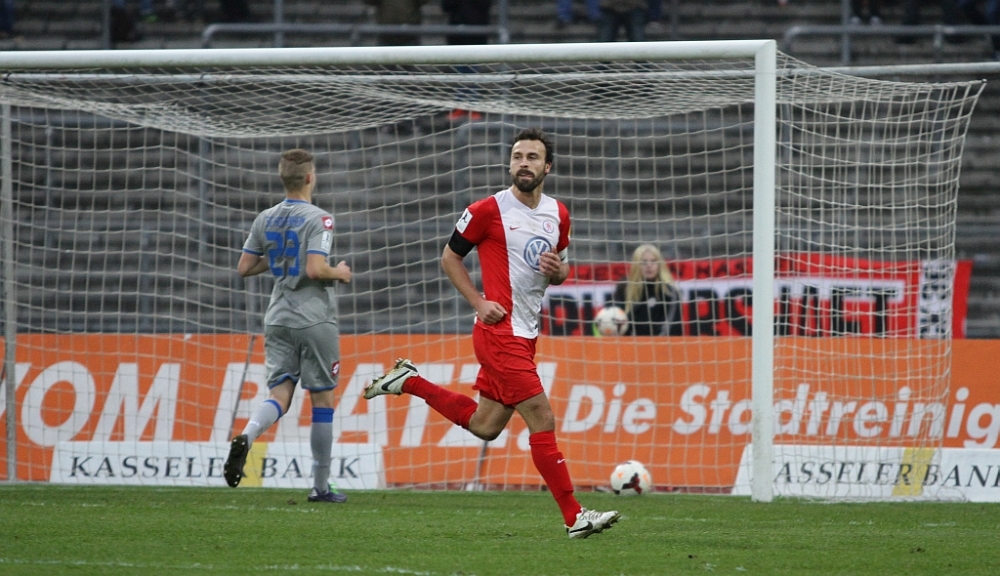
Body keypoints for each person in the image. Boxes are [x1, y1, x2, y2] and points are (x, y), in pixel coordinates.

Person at [364, 128, 621, 539]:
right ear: (510, 163)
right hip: (498, 330)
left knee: (486, 425)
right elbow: (449, 258)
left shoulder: (558, 214)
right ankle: (574, 516)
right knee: (542, 416)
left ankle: (408, 381)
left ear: (547, 167)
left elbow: (562, 268)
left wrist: (559, 272)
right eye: (518, 156)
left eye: (532, 157)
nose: (524, 163)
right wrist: (479, 303)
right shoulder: (487, 210)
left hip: (527, 333)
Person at [224, 149, 353, 504]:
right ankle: (320, 487)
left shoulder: (265, 218)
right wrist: (340, 272)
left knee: (280, 394)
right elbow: (315, 269)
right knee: (322, 400)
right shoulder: (320, 219)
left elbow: (245, 267)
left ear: (284, 179)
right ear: (310, 177)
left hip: (278, 317)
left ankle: (248, 435)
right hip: (313, 319)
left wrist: (281, 257)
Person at [609, 244, 682, 336]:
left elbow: (671, 327)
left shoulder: (669, 292)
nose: (649, 265)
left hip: (661, 344)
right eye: (644, 262)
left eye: (653, 261)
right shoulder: (624, 288)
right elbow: (614, 318)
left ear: (659, 265)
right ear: (636, 265)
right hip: (630, 343)